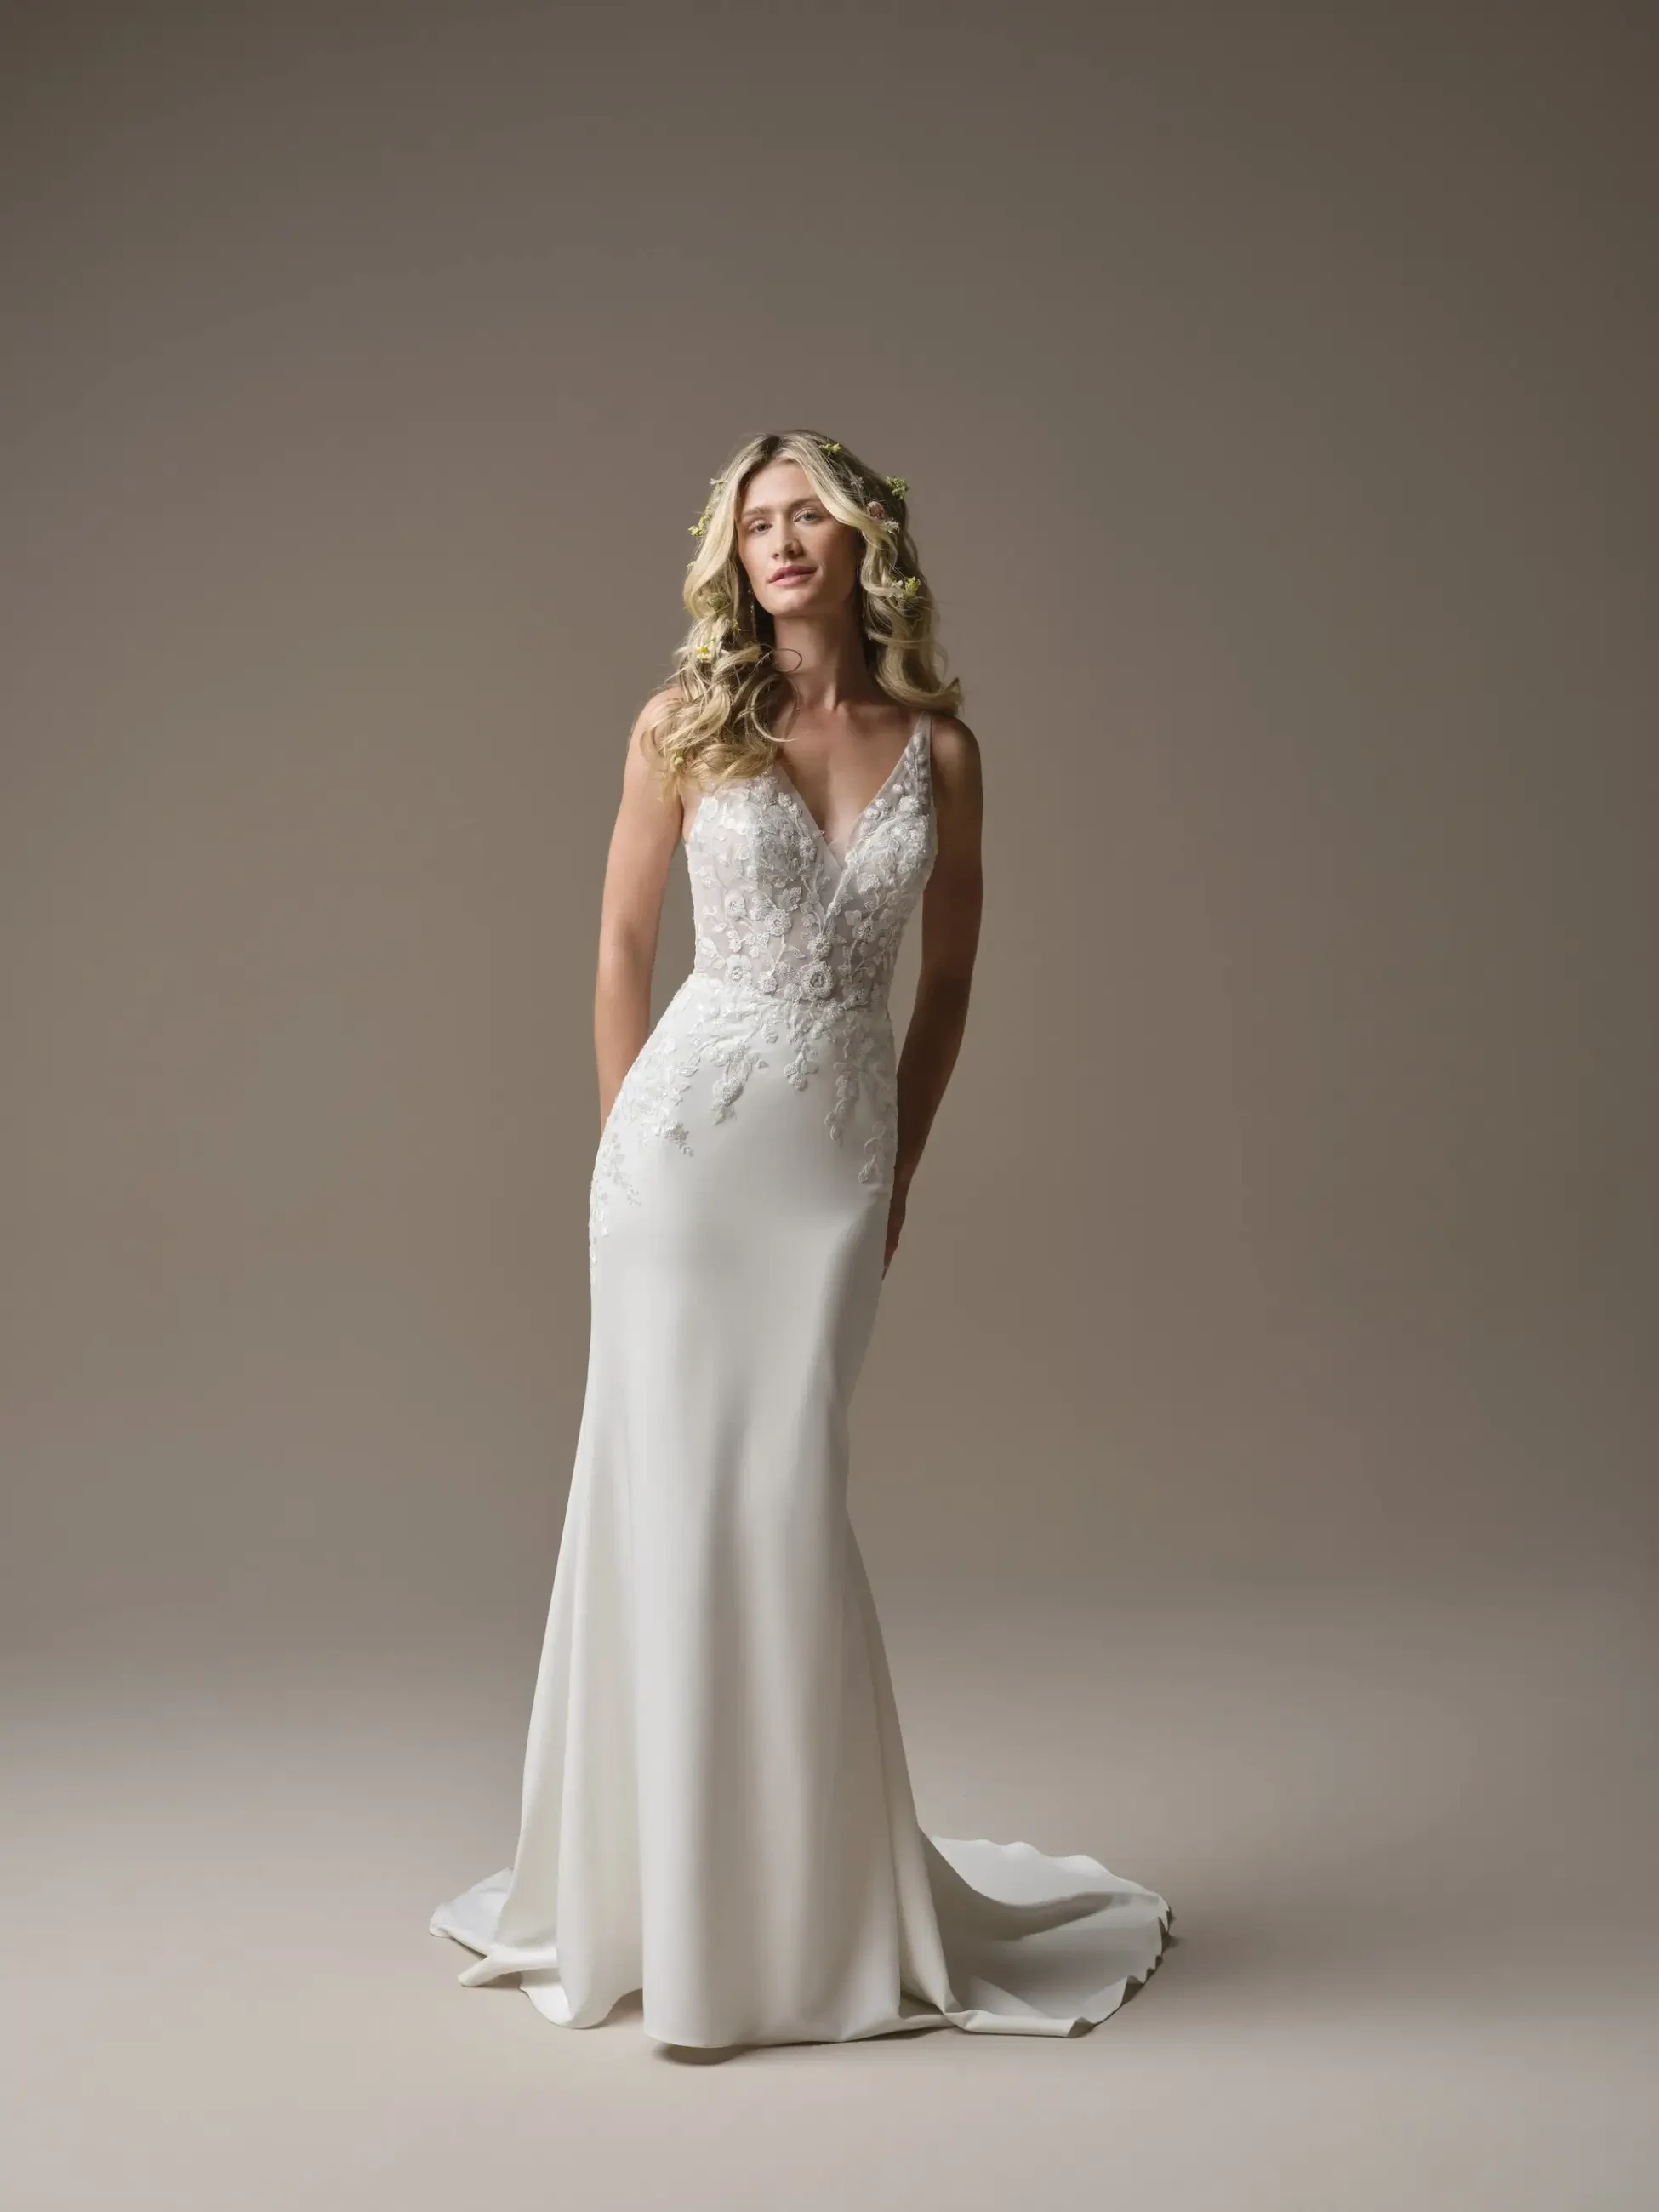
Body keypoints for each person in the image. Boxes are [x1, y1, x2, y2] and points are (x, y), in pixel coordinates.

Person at [430, 429, 1172, 2048]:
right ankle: (663, 1907)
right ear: (733, 555)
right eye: (756, 523)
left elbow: (951, 982)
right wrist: (626, 1143)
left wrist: (896, 1159)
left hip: (830, 1160)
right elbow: (623, 947)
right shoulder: (684, 726)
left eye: (807, 521)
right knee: (670, 1493)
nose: (780, 545)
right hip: (681, 1162)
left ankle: (789, 1900)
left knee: (779, 1497)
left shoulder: (943, 751)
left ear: (862, 549)